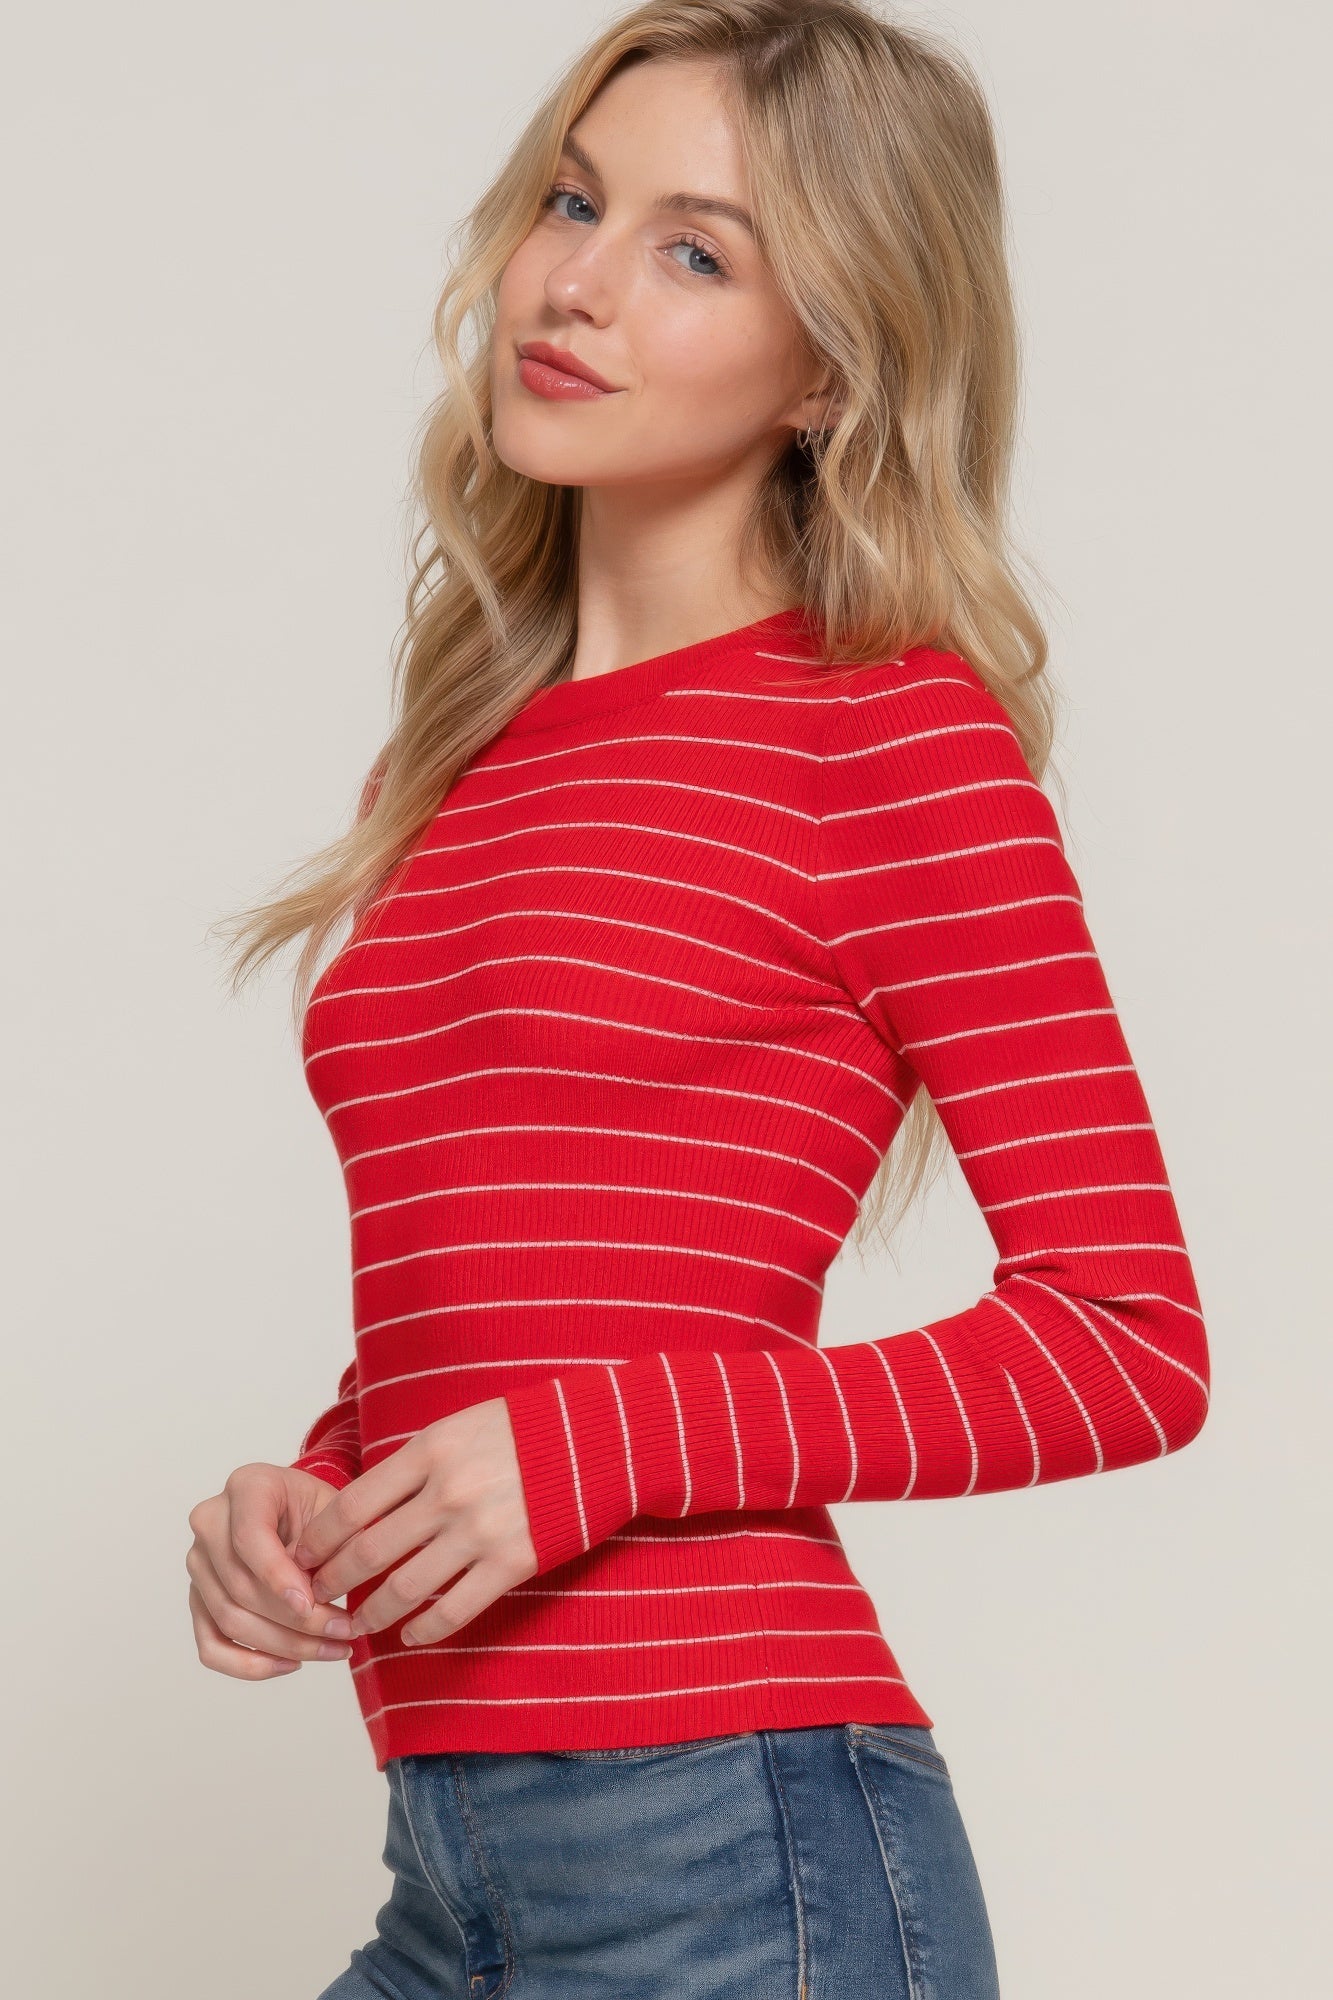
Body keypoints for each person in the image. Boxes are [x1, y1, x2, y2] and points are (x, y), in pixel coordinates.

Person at [186, 4, 1210, 1993]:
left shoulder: (884, 735)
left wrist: (595, 1449)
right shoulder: (452, 766)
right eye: (574, 203)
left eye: (694, 251)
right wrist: (321, 1495)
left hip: (734, 1851)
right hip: (459, 1855)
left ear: (827, 366)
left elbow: (1125, 1340)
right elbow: (537, 1276)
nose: (574, 284)